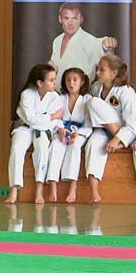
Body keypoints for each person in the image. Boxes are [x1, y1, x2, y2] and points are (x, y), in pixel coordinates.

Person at [5, 64, 62, 205]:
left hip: (43, 131)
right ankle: (14, 190)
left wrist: (46, 119)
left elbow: (50, 123)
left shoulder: (55, 97)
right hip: (24, 128)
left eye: (54, 79)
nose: (55, 83)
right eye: (51, 80)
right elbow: (31, 119)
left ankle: (39, 189)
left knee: (42, 148)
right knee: (16, 149)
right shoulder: (27, 94)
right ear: (40, 83)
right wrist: (52, 116)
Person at [83, 55, 136, 204]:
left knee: (94, 102)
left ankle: (117, 139)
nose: (97, 72)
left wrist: (117, 138)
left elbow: (131, 126)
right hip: (102, 130)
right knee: (92, 144)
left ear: (113, 73)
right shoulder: (96, 88)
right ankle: (94, 193)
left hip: (123, 132)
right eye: (97, 69)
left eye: (102, 70)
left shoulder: (126, 92)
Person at [46, 68, 92, 203]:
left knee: (75, 145)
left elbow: (89, 122)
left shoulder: (88, 100)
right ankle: (53, 185)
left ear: (82, 82)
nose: (71, 83)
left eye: (75, 80)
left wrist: (78, 134)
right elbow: (56, 118)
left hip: (80, 132)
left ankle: (73, 186)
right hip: (62, 131)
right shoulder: (60, 99)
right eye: (68, 80)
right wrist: (60, 129)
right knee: (55, 144)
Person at [49, 3, 117, 81]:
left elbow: (102, 48)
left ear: (81, 19)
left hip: (83, 88)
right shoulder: (57, 40)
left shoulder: (89, 40)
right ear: (60, 19)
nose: (70, 23)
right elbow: (54, 65)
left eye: (74, 18)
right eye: (66, 18)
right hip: (57, 88)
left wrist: (106, 44)